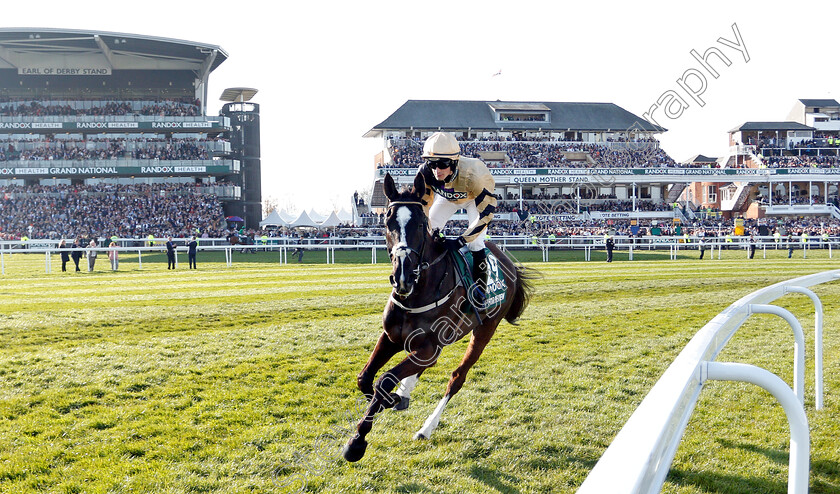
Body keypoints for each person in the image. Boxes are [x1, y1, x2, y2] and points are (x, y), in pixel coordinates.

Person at [416, 131, 497, 306]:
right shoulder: (425, 172)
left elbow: (486, 214)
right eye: (432, 163)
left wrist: (461, 240)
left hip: (474, 199)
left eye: (443, 164)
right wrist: (432, 232)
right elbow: (425, 207)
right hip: (448, 197)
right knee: (428, 231)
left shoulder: (474, 175)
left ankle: (480, 292)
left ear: (454, 162)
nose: (437, 170)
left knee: (475, 243)